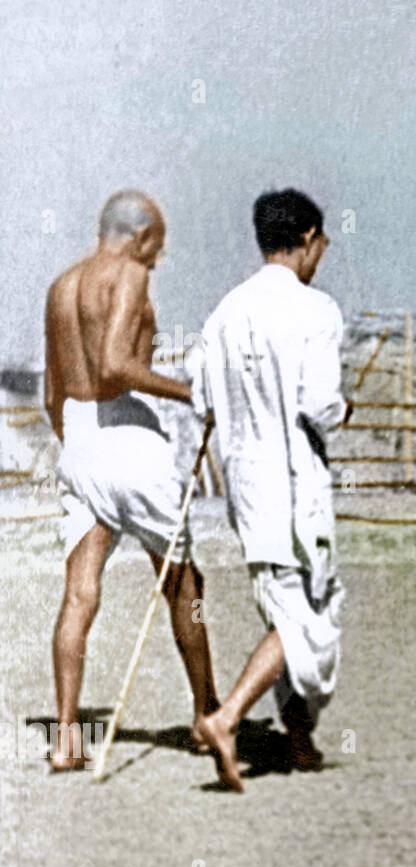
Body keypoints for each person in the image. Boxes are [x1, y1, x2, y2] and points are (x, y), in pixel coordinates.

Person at [44, 189, 220, 771]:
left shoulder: (60, 287)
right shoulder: (129, 275)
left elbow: (52, 395)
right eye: (157, 247)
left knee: (79, 593)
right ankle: (207, 715)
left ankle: (67, 737)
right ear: (138, 236)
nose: (158, 260)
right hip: (127, 439)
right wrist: (192, 394)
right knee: (182, 584)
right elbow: (116, 366)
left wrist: (80, 452)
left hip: (78, 437)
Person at [192, 188, 346, 792]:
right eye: (322, 243)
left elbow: (202, 399)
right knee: (311, 617)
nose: (322, 254)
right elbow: (319, 403)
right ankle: (227, 718)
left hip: (247, 492)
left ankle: (299, 739)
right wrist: (345, 408)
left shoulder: (224, 312)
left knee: (285, 607)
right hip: (296, 486)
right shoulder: (316, 310)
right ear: (308, 237)